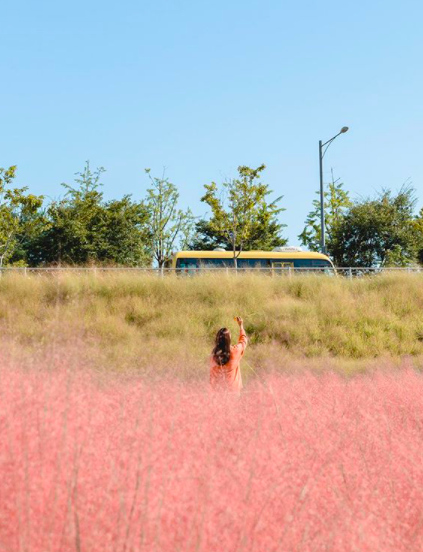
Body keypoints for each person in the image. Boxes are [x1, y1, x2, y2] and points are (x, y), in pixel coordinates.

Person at [209, 316, 248, 393]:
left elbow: (211, 376)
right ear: (228, 339)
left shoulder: (213, 355)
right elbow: (243, 341)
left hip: (218, 392)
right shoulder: (235, 351)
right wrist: (241, 326)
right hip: (233, 392)